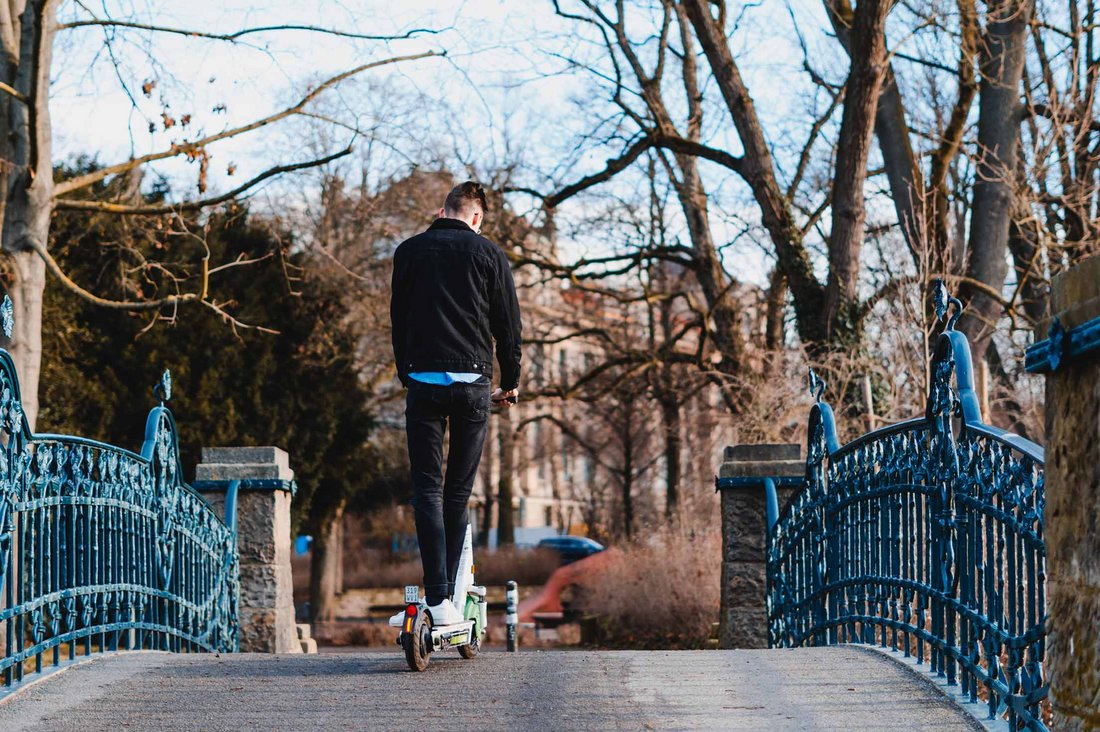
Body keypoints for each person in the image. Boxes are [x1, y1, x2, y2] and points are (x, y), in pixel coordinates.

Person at [389, 181, 522, 626]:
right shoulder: (489, 255)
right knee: (457, 493)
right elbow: (508, 325)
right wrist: (512, 379)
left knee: (425, 489)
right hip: (473, 384)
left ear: (442, 211)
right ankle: (448, 600)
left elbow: (398, 319)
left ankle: (438, 597)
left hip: (422, 380)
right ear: (477, 218)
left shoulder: (408, 252)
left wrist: (406, 372)